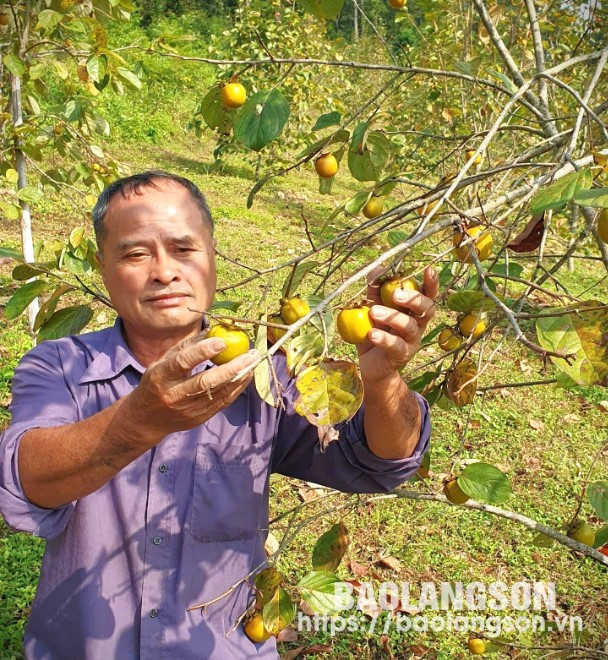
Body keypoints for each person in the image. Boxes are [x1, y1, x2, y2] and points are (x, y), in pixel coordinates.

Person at [0, 171, 436, 658]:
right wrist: (140, 420)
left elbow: (378, 464)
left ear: (211, 255)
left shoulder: (270, 374)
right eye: (135, 253)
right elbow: (27, 483)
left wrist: (382, 382)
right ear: (103, 267)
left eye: (184, 249)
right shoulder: (58, 365)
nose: (164, 272)